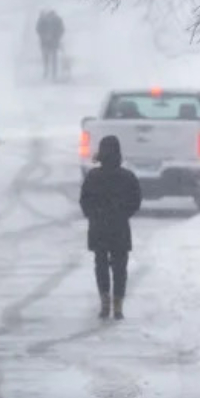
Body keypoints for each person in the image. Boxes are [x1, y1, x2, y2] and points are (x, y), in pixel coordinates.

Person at [79, 134, 143, 320]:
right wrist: (122, 214)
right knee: (120, 266)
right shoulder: (128, 177)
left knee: (101, 264)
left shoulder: (93, 176)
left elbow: (85, 201)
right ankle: (118, 304)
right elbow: (135, 201)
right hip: (120, 228)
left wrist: (94, 215)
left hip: (98, 227)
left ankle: (104, 300)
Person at [35, 9, 65, 80]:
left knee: (50, 57)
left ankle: (50, 72)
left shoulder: (55, 20)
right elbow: (38, 29)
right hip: (48, 42)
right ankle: (49, 72)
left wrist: (56, 37)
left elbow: (61, 30)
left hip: (50, 42)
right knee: (49, 57)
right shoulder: (44, 20)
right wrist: (44, 36)